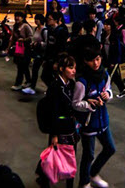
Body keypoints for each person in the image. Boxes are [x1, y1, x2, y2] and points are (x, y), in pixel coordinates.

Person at [73, 47, 116, 188]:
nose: (96, 63)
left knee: (110, 148)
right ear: (85, 61)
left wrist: (108, 95)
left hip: (103, 120)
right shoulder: (82, 81)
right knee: (88, 154)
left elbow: (109, 90)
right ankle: (84, 182)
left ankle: (93, 173)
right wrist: (88, 104)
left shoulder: (105, 75)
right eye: (92, 60)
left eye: (98, 59)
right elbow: (75, 104)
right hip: (89, 124)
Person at [36, 54, 78, 188]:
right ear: (61, 69)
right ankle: (44, 178)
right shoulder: (54, 87)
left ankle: (66, 182)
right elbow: (52, 112)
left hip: (70, 126)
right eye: (70, 68)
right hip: (59, 127)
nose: (73, 71)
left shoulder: (71, 84)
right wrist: (54, 134)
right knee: (53, 155)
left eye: (74, 68)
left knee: (70, 155)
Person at [102, 19, 125, 98]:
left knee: (111, 75)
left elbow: (117, 50)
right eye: (105, 24)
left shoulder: (115, 36)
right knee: (114, 75)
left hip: (113, 59)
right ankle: (123, 90)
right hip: (106, 58)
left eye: (108, 25)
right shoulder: (103, 34)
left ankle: (106, 91)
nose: (106, 26)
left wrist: (114, 61)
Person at [23, 14, 48, 95]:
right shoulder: (36, 29)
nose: (36, 20)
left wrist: (38, 44)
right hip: (35, 52)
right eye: (35, 19)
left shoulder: (45, 30)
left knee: (40, 71)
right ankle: (32, 86)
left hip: (41, 53)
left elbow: (46, 43)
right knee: (34, 70)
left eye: (37, 19)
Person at [10, 11, 33, 91]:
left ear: (23, 18)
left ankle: (18, 83)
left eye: (19, 16)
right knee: (23, 66)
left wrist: (23, 40)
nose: (17, 18)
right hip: (18, 49)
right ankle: (29, 81)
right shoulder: (15, 27)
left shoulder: (26, 26)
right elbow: (12, 38)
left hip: (26, 49)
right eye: (16, 16)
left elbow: (31, 37)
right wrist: (8, 47)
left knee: (21, 67)